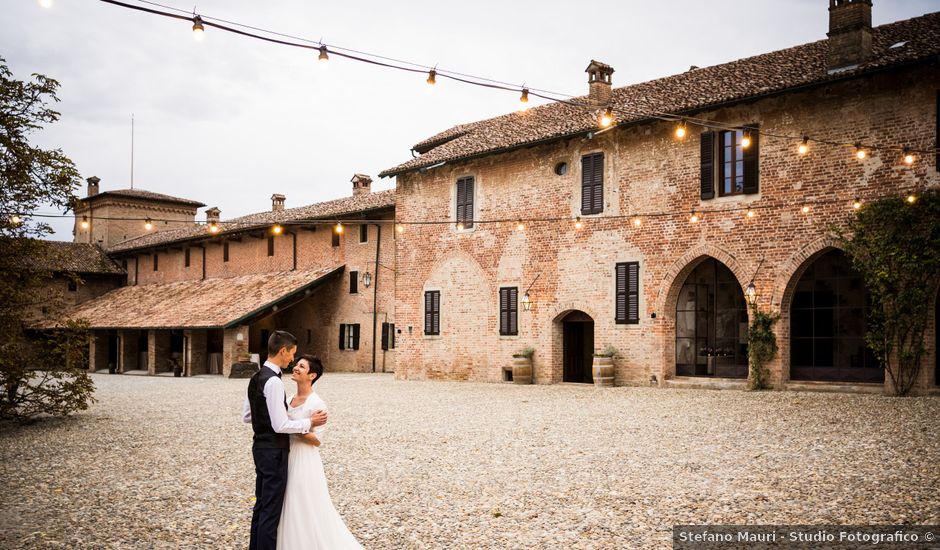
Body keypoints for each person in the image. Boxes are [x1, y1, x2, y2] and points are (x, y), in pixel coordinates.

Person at [242, 331, 328, 550]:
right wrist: (307, 422)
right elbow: (280, 426)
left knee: (261, 506)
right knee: (270, 511)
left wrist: (270, 413)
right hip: (274, 452)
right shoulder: (274, 382)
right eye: (292, 354)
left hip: (259, 448)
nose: (292, 360)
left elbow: (247, 416)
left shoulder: (256, 377)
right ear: (283, 351)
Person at [277, 355, 362, 550]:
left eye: (301, 366)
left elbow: (316, 440)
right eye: (297, 364)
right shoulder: (289, 399)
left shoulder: (317, 404)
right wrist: (297, 425)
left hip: (304, 460)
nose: (296, 368)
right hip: (285, 456)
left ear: (312, 375)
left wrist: (292, 428)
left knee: (302, 503)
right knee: (286, 502)